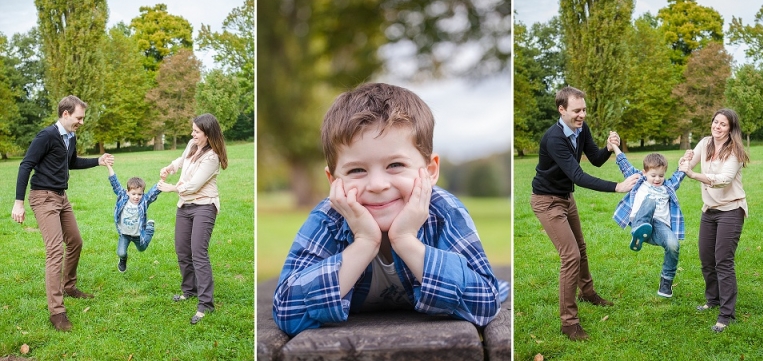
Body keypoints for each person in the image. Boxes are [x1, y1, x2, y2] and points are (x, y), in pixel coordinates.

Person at [272, 83, 509, 337]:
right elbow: (287, 309)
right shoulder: (328, 219)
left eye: (395, 165)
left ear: (430, 171)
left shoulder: (444, 212)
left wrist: (405, 240)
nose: (377, 185)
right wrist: (364, 243)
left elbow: (485, 303)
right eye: (356, 170)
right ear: (334, 181)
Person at [530, 86, 639, 341]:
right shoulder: (554, 138)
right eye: (577, 110)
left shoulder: (581, 129)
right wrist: (617, 187)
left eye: (584, 109)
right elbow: (578, 176)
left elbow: (596, 159)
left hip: (566, 198)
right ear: (562, 109)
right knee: (570, 256)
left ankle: (587, 293)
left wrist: (612, 147)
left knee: (581, 247)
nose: (582, 115)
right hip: (547, 201)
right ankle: (569, 324)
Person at [11, 95, 114, 331]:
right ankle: (57, 312)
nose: (81, 122)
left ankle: (69, 286)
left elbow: (71, 162)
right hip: (43, 198)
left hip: (61, 197)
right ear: (65, 114)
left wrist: (97, 161)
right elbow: (26, 164)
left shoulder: (70, 137)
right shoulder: (47, 136)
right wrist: (18, 202)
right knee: (55, 250)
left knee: (75, 242)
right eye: (79, 117)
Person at [157, 113, 228, 325]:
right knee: (182, 250)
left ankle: (205, 303)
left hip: (204, 206)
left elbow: (194, 185)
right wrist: (170, 167)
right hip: (185, 207)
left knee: (199, 253)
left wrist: (171, 188)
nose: (192, 134)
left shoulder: (212, 157)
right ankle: (189, 290)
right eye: (192, 130)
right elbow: (182, 160)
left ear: (208, 134)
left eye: (196, 131)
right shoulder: (191, 144)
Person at [683, 108, 749, 333]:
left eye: (723, 124)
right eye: (715, 122)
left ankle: (726, 314)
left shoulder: (735, 151)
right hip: (709, 210)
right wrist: (686, 162)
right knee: (706, 259)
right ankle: (712, 300)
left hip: (731, 209)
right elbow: (688, 165)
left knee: (723, 261)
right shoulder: (705, 143)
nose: (717, 126)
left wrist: (694, 175)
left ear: (731, 128)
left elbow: (723, 180)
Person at [610, 143, 690, 298]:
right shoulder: (638, 180)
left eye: (661, 175)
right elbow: (624, 163)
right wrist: (614, 147)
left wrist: (686, 159)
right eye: (653, 175)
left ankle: (666, 283)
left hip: (659, 226)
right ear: (644, 172)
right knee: (650, 201)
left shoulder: (668, 186)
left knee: (674, 245)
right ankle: (639, 229)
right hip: (641, 217)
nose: (657, 179)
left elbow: (680, 174)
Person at [106, 162, 162, 273]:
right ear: (128, 192)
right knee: (121, 252)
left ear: (142, 193)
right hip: (125, 233)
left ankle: (149, 229)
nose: (136, 197)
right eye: (133, 194)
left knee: (142, 249)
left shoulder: (144, 201)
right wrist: (109, 166)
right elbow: (115, 182)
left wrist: (163, 179)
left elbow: (154, 191)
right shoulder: (122, 196)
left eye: (139, 194)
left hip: (138, 234)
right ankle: (123, 260)